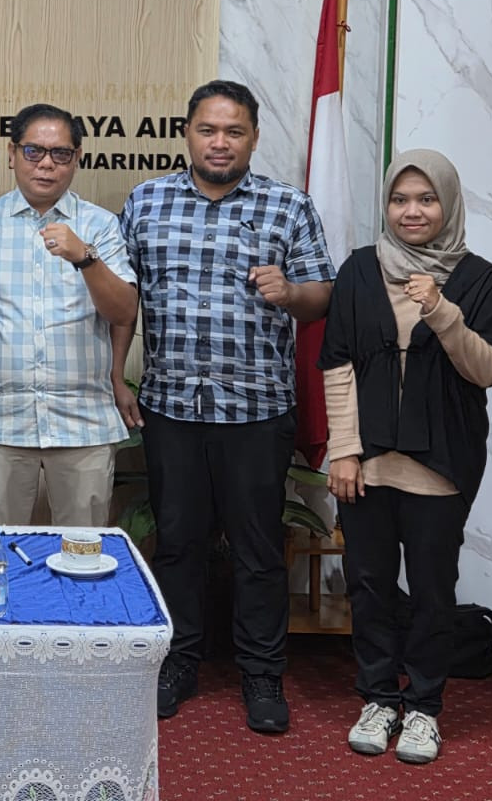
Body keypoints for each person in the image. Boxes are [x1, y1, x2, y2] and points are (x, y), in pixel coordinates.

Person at [120, 79, 335, 734]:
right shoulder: (146, 202)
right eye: (208, 130)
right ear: (187, 134)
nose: (220, 142)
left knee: (259, 550)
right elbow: (121, 299)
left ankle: (262, 675)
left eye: (234, 131)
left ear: (254, 138)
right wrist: (114, 375)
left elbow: (322, 295)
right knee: (177, 544)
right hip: (172, 407)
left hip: (257, 410)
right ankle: (178, 662)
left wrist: (290, 293)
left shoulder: (287, 206)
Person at [323, 150, 492, 766]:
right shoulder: (359, 269)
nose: (412, 211)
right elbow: (338, 363)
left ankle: (425, 706)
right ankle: (379, 697)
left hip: (442, 464)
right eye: (400, 199)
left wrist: (440, 310)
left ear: (448, 204)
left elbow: (487, 370)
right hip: (367, 464)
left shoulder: (480, 278)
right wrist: (343, 451)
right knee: (370, 586)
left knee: (433, 591)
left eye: (426, 199)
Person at [0, 103, 139, 527]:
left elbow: (123, 311)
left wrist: (85, 257)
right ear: (12, 153)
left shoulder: (100, 226)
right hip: (1, 420)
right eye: (34, 151)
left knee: (83, 549)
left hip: (83, 420)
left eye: (60, 153)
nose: (46, 164)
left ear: (77, 158)